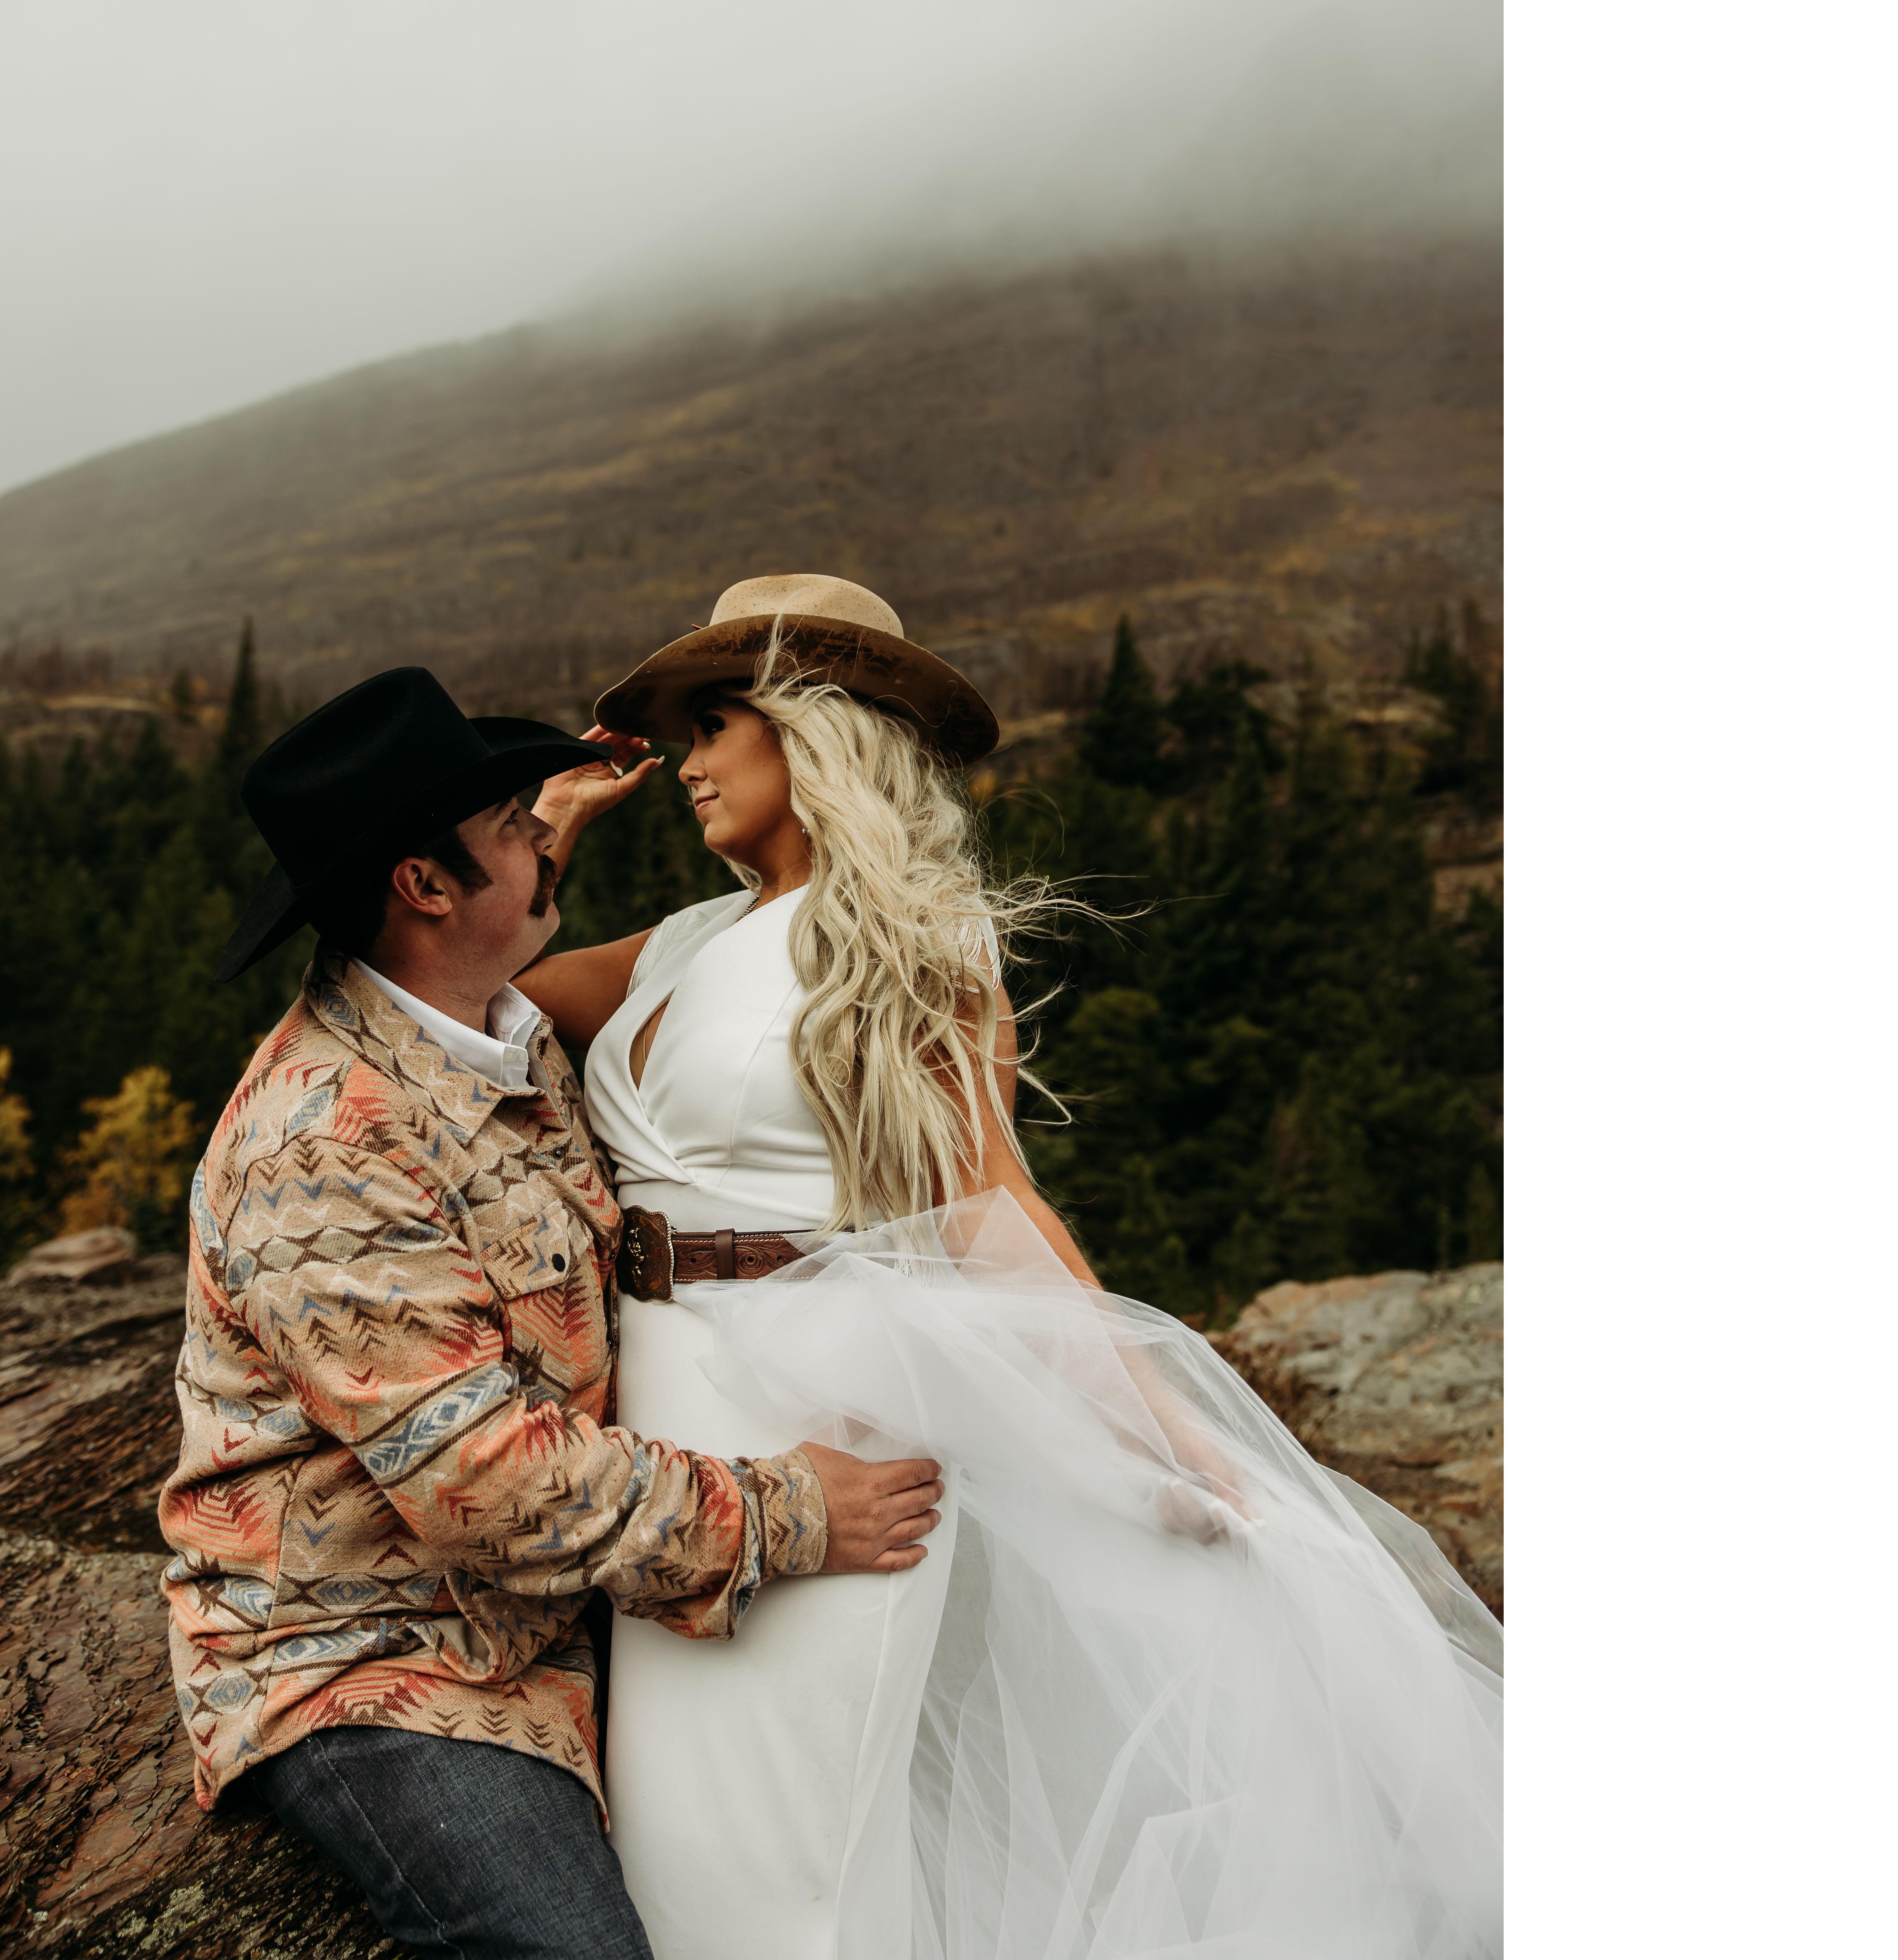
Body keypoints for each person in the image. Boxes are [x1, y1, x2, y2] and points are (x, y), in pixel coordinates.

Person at [517, 575, 1504, 1960]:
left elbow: (987, 1195)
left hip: (823, 1415)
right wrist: (545, 839)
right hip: (661, 1431)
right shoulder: (685, 942)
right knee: (675, 1847)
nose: (686, 763)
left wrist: (1157, 1425)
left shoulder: (915, 935)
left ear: (814, 728)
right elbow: (479, 1001)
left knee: (791, 1863)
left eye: (716, 726)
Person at [158, 665, 947, 1960]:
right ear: (424, 885)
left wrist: (535, 840)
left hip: (546, 1618)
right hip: (380, 1662)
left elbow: (489, 958)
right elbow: (481, 1482)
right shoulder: (324, 1148)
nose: (539, 831)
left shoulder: (486, 1030)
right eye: (509, 826)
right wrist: (793, 1512)